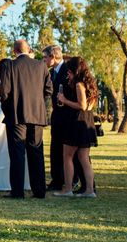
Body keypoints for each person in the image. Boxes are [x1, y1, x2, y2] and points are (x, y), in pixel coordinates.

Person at [0, 39, 52, 198]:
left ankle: (17, 191)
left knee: (17, 154)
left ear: (14, 51)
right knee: (36, 152)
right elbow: (49, 89)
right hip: (36, 115)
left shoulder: (10, 66)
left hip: (16, 116)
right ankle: (39, 190)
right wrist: (39, 104)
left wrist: (8, 110)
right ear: (28, 50)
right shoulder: (41, 66)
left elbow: (4, 93)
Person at [54, 56, 98, 198]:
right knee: (84, 157)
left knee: (67, 156)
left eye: (69, 70)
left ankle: (68, 189)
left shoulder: (79, 84)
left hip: (76, 122)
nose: (67, 72)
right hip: (87, 121)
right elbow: (90, 105)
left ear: (74, 69)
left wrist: (64, 100)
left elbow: (82, 105)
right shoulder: (89, 83)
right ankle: (90, 190)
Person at [43, 44, 85, 191]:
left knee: (69, 151)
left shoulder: (68, 70)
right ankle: (57, 180)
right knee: (55, 149)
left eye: (45, 57)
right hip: (57, 116)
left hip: (69, 116)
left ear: (53, 57)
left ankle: (73, 179)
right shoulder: (50, 72)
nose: (43, 60)